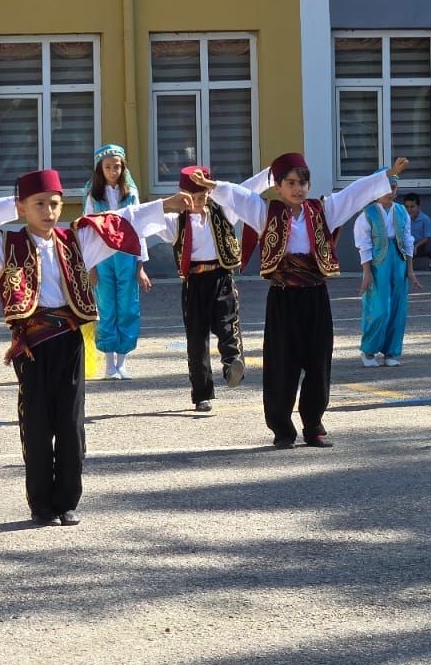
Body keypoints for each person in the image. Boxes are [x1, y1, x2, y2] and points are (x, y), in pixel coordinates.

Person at [0, 170, 189, 526]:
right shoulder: (6, 246)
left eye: (54, 204)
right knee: (38, 423)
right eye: (39, 204)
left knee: (71, 423)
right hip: (32, 346)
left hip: (69, 341)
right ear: (22, 208)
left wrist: (166, 203)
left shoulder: (76, 241)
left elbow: (121, 221)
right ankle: (41, 504)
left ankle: (68, 499)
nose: (48, 211)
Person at [193, 154, 404, 448]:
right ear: (277, 186)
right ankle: (282, 428)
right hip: (283, 298)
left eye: (302, 183)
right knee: (282, 363)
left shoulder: (322, 211)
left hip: (315, 295)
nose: (298, 189)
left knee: (318, 362)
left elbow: (354, 194)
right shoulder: (266, 212)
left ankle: (314, 424)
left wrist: (384, 177)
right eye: (290, 183)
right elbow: (239, 197)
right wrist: (213, 186)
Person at [155, 165, 248, 413]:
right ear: (182, 196)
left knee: (228, 323)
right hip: (194, 283)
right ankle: (202, 394)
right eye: (193, 198)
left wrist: (271, 174)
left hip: (221, 277)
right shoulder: (175, 222)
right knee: (196, 339)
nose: (198, 201)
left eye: (203, 195)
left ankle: (232, 365)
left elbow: (245, 192)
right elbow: (142, 222)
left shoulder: (223, 213)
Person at [84, 143, 150, 380]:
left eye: (117, 167)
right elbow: (88, 232)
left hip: (127, 256)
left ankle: (123, 362)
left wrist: (141, 267)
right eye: (108, 167)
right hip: (102, 257)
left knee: (128, 306)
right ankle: (109, 364)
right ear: (100, 170)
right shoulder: (93, 197)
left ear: (124, 168)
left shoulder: (130, 195)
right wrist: (90, 265)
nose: (113, 171)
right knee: (106, 307)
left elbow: (139, 229)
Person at [354, 169, 420, 368]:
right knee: (379, 307)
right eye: (384, 187)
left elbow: (408, 241)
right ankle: (368, 350)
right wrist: (367, 273)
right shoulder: (367, 214)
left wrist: (410, 270)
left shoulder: (401, 212)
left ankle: (391, 352)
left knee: (399, 307)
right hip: (377, 262)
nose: (389, 191)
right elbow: (363, 245)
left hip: (398, 260)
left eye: (392, 187)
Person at [401, 193, 431, 270]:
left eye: (412, 207)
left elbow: (427, 237)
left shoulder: (425, 219)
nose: (409, 210)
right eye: (407, 207)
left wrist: (416, 246)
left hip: (421, 246)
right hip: (407, 244)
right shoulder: (402, 218)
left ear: (418, 207)